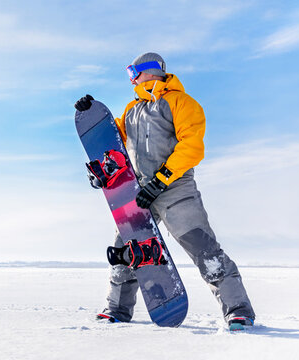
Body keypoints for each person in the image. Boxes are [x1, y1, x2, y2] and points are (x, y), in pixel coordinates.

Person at [74, 52, 255, 329]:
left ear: (149, 70)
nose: (131, 78)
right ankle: (117, 309)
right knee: (128, 250)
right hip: (138, 191)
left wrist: (162, 179)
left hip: (175, 190)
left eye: (133, 71)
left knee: (204, 250)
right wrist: (91, 114)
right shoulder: (132, 110)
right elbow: (113, 143)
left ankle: (238, 310)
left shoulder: (181, 103)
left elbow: (191, 147)